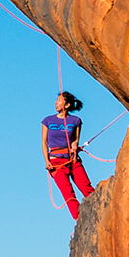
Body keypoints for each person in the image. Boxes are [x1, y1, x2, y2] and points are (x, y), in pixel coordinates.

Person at [42, 91, 94, 220]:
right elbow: (44, 142)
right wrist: (47, 161)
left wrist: (75, 144)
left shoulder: (75, 121)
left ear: (67, 105)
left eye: (59, 100)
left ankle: (100, 209)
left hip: (73, 159)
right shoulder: (48, 121)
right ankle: (80, 220)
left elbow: (76, 139)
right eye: (56, 100)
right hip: (56, 163)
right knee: (68, 194)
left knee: (86, 187)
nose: (56, 103)